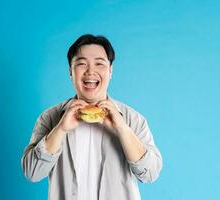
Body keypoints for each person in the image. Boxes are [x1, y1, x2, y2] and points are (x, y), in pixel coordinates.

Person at [21, 34, 163, 200]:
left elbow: (150, 174)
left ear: (110, 71)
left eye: (99, 64)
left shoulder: (133, 119)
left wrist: (122, 129)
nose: (90, 71)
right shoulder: (50, 118)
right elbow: (33, 173)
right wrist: (60, 129)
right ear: (70, 72)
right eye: (81, 64)